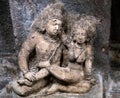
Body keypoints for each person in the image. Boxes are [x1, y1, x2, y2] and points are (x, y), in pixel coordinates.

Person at [8, 3, 67, 96]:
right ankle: (15, 84)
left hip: (47, 74)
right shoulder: (36, 36)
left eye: (60, 25)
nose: (57, 28)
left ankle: (24, 83)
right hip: (33, 69)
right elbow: (23, 54)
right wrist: (26, 72)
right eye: (54, 24)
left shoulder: (59, 42)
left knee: (24, 91)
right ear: (45, 23)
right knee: (22, 90)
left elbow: (56, 64)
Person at [40, 15, 98, 94]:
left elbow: (88, 64)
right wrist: (58, 23)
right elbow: (62, 35)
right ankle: (31, 80)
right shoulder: (70, 44)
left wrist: (88, 78)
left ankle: (59, 87)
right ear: (74, 35)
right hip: (66, 70)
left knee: (85, 88)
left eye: (83, 34)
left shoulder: (88, 49)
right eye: (78, 34)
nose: (80, 37)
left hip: (77, 75)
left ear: (87, 37)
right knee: (51, 68)